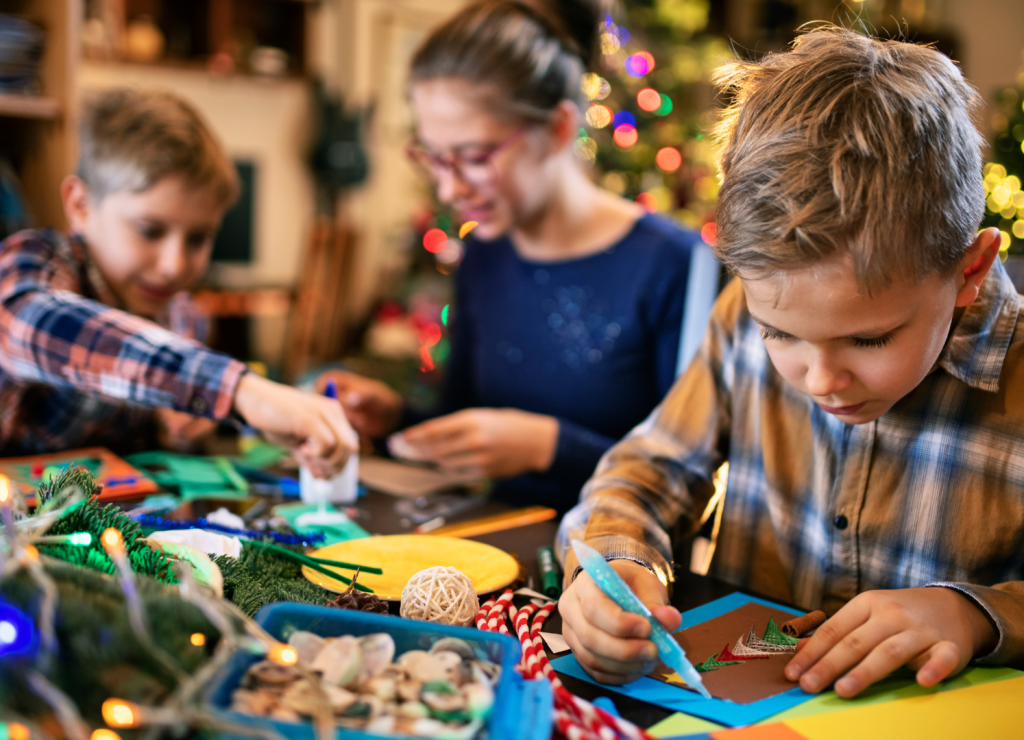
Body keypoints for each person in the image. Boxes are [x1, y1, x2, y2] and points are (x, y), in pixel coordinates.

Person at [557, 26, 1024, 698]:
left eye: (869, 340)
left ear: (969, 271)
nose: (821, 379)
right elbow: (645, 469)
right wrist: (620, 560)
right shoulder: (737, 323)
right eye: (781, 333)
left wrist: (977, 615)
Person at [321, 0, 703, 514]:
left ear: (559, 129)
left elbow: (688, 482)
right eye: (434, 157)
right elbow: (466, 424)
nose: (448, 187)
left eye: (474, 157)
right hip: (492, 547)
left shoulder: (673, 264)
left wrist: (548, 446)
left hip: (618, 565)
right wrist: (395, 420)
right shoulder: (483, 255)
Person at [0, 88, 356, 476]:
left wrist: (179, 432)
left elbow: (154, 446)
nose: (174, 265)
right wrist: (239, 390)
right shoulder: (30, 264)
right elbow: (29, 323)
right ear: (80, 206)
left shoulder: (182, 314)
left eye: (199, 238)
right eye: (150, 230)